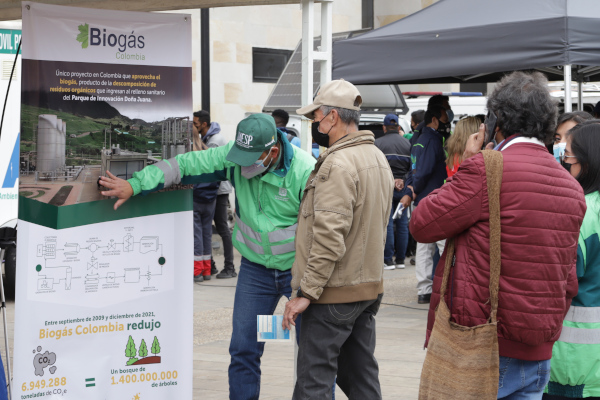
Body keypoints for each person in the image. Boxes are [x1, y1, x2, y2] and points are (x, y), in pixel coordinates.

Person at [99, 113, 316, 400]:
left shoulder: (306, 170)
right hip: (255, 271)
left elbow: (322, 235)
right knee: (243, 349)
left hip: (298, 273)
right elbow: (183, 165)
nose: (240, 166)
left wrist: (310, 286)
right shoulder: (236, 156)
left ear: (272, 152)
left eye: (249, 159)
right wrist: (136, 184)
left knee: (313, 355)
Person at [410, 71, 586, 399]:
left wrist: (470, 163)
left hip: (485, 345)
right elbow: (568, 278)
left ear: (495, 123)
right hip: (539, 349)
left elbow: (422, 224)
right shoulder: (571, 188)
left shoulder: (485, 169)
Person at [283, 79, 394, 400]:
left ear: (332, 117)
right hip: (367, 288)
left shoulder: (338, 163)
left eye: (316, 117)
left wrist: (307, 292)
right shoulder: (376, 157)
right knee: (361, 380)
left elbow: (329, 236)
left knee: (313, 383)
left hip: (333, 293)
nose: (314, 124)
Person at [544, 121, 600, 400]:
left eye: (567, 155)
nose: (564, 162)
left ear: (586, 161)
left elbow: (560, 281)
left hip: (575, 367)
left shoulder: (584, 213)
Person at [402, 104, 449, 304]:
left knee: (424, 246)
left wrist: (411, 190)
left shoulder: (418, 139)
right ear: (435, 119)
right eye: (445, 113)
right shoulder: (431, 140)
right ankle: (444, 287)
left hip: (422, 199)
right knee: (443, 244)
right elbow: (424, 171)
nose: (448, 118)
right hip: (433, 198)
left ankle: (424, 289)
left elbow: (413, 169)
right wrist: (416, 189)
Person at [193, 110, 237, 279]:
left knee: (222, 228)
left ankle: (229, 266)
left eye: (196, 123)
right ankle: (209, 267)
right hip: (212, 189)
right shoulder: (209, 138)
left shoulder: (215, 141)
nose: (195, 126)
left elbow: (208, 162)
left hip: (218, 190)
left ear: (204, 124)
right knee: (207, 228)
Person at [375, 113, 411, 270]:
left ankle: (388, 260)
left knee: (387, 223)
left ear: (384, 128)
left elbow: (375, 168)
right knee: (402, 224)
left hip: (385, 188)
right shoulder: (408, 144)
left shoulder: (377, 144)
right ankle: (401, 260)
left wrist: (391, 180)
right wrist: (402, 180)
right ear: (398, 127)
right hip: (403, 189)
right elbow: (413, 168)